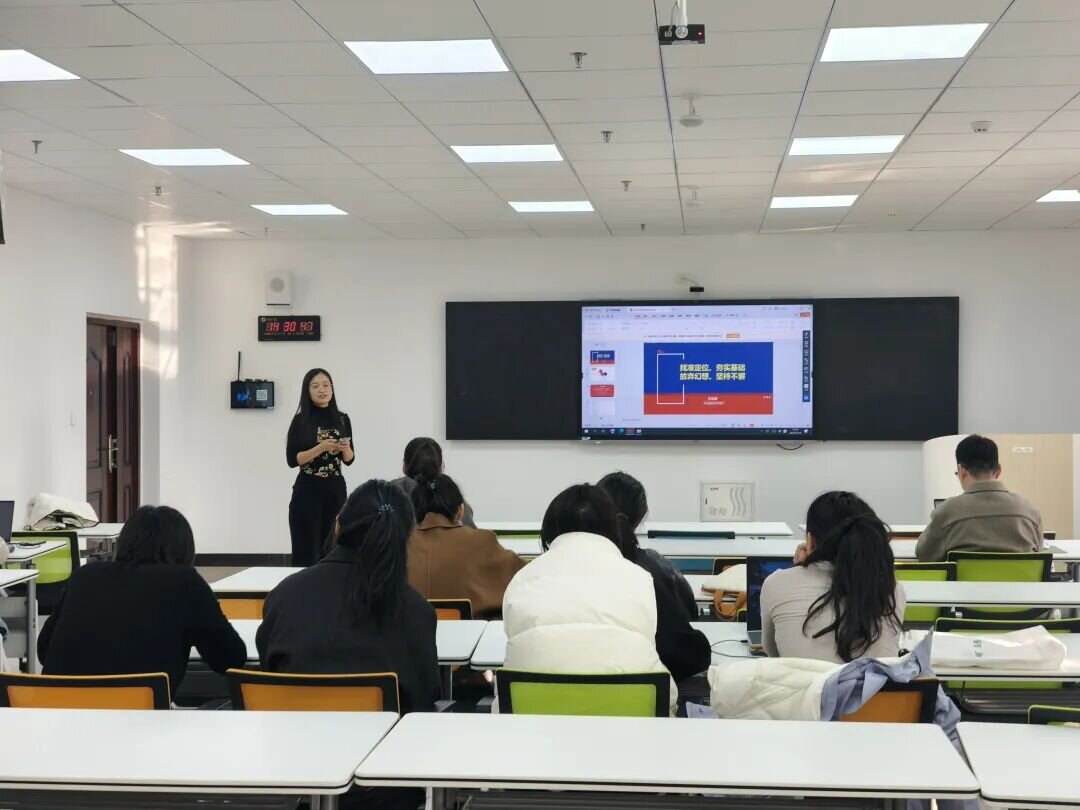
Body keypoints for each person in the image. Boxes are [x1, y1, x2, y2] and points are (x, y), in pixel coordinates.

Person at [257, 479, 440, 714]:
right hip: (386, 737)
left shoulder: (283, 597)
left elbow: (269, 670)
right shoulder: (416, 611)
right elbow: (426, 695)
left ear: (337, 526)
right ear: (406, 537)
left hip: (293, 734)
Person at [502, 484, 675, 711]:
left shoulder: (522, 579)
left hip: (532, 718)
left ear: (549, 530)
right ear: (613, 528)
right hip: (630, 715)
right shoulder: (639, 578)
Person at [38, 505, 245, 694]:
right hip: (137, 715)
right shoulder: (185, 582)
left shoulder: (85, 575)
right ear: (184, 548)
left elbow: (44, 650)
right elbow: (229, 659)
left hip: (55, 709)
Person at [763, 491, 905, 664]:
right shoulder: (892, 589)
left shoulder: (777, 584)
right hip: (871, 683)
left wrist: (799, 571)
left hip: (801, 682)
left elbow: (773, 652)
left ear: (810, 540)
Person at [597, 472, 711, 680]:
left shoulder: (567, 569)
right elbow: (688, 617)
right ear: (640, 519)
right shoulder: (654, 569)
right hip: (647, 684)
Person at [407, 472, 524, 619]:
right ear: (460, 510)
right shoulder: (482, 542)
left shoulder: (397, 544)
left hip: (405, 632)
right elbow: (528, 576)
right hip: (473, 632)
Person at [917, 434, 1043, 562]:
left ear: (961, 471)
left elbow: (924, 555)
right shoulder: (1029, 512)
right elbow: (1038, 554)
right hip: (1017, 575)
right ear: (998, 470)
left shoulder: (947, 512)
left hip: (965, 576)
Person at [286, 368, 354, 566]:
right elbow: (292, 460)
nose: (322, 390)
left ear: (332, 389)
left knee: (334, 547)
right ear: (307, 391)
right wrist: (321, 448)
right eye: (315, 386)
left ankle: (333, 584)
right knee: (305, 551)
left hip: (335, 489)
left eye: (326, 385)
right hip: (307, 489)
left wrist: (345, 448)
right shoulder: (300, 421)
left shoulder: (343, 419)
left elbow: (349, 459)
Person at [392, 437, 476, 528]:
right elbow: (470, 532)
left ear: (404, 466)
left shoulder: (387, 493)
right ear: (441, 467)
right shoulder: (453, 498)